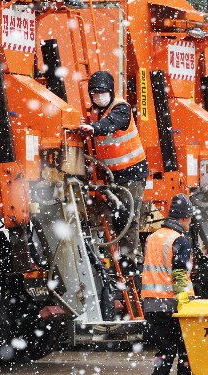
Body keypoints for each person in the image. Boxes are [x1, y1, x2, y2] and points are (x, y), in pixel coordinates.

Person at [79, 70, 149, 273]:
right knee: (118, 216)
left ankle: (131, 259)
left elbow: (112, 123)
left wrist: (94, 128)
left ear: (110, 92)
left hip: (132, 171)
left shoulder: (120, 108)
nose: (97, 96)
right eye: (94, 93)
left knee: (129, 215)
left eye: (101, 92)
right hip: (114, 174)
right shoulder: (94, 111)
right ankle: (122, 257)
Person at [142, 193, 195, 375]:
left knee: (165, 353)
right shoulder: (179, 240)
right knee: (186, 354)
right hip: (173, 305)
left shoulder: (152, 238)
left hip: (151, 305)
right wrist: (183, 300)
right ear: (184, 217)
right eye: (189, 219)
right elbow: (179, 273)